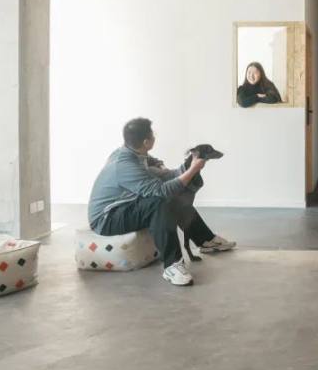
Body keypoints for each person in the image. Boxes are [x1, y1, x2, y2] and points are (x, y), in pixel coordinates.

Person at [88, 118, 236, 287]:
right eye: (153, 134)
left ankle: (206, 240)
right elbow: (162, 191)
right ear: (146, 141)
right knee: (159, 202)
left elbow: (160, 169)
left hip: (124, 205)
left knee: (172, 199)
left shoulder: (134, 153)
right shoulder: (125, 165)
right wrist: (193, 169)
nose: (154, 136)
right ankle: (172, 265)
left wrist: (185, 165)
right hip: (106, 218)